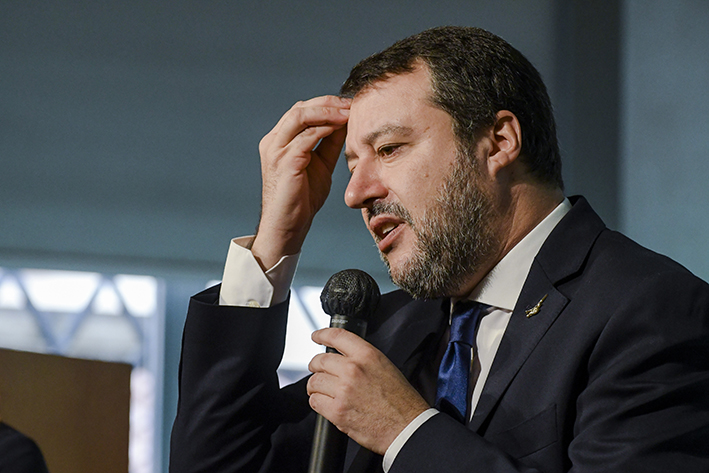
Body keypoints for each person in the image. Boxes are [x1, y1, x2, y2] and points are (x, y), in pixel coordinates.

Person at [169, 26, 709, 472]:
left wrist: (406, 433)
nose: (355, 193)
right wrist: (275, 239)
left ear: (499, 141)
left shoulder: (652, 309)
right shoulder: (388, 328)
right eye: (351, 166)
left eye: (389, 149)